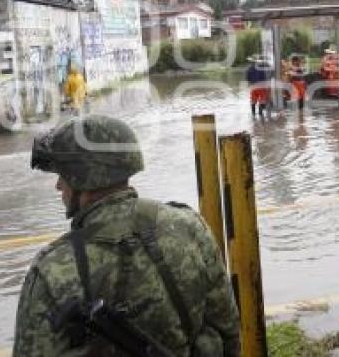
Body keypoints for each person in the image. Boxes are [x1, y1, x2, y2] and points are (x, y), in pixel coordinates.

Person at [13, 115, 241, 356]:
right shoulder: (190, 227)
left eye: (63, 175)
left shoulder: (52, 269)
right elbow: (228, 331)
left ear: (82, 178)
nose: (58, 186)